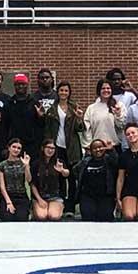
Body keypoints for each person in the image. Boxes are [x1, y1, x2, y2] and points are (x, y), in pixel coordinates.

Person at [43, 81, 86, 217]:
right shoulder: (51, 109)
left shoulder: (74, 107)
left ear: (69, 92)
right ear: (58, 92)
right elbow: (47, 130)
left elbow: (81, 129)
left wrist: (79, 118)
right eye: (61, 90)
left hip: (71, 148)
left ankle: (70, 208)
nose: (63, 93)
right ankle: (60, 205)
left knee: (72, 178)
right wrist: (48, 146)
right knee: (59, 177)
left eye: (66, 91)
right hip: (57, 147)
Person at [74, 139, 118, 222]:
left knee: (105, 217)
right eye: (94, 148)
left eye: (100, 147)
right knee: (88, 216)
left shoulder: (109, 160)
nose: (98, 150)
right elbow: (75, 171)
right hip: (88, 196)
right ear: (91, 151)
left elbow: (117, 163)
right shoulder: (85, 162)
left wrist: (112, 150)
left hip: (105, 196)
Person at [84, 79, 126, 157]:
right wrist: (89, 145)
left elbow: (122, 126)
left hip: (114, 148)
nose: (106, 90)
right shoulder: (91, 108)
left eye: (108, 88)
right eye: (103, 88)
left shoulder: (119, 106)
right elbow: (87, 129)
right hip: (97, 149)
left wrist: (118, 114)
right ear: (99, 90)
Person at [6, 73, 45, 154]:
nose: (20, 86)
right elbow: (4, 125)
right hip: (14, 145)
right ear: (14, 86)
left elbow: (41, 126)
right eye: (18, 84)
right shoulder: (9, 103)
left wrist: (41, 117)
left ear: (27, 85)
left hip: (32, 145)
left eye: (23, 84)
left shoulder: (35, 103)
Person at [30, 141, 69, 221]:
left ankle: (58, 207)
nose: (50, 150)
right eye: (48, 147)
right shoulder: (36, 163)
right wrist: (39, 199)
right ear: (43, 148)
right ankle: (35, 209)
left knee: (53, 216)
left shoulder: (59, 162)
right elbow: (32, 183)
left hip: (55, 197)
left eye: (53, 148)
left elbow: (66, 174)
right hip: (40, 197)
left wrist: (62, 170)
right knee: (42, 217)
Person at [0, 139, 32, 222]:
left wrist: (27, 166)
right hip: (7, 196)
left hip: (21, 196)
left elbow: (29, 180)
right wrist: (8, 202)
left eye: (19, 148)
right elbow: (2, 186)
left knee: (21, 218)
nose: (16, 150)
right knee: (7, 218)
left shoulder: (23, 163)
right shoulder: (2, 165)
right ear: (9, 148)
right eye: (14, 147)